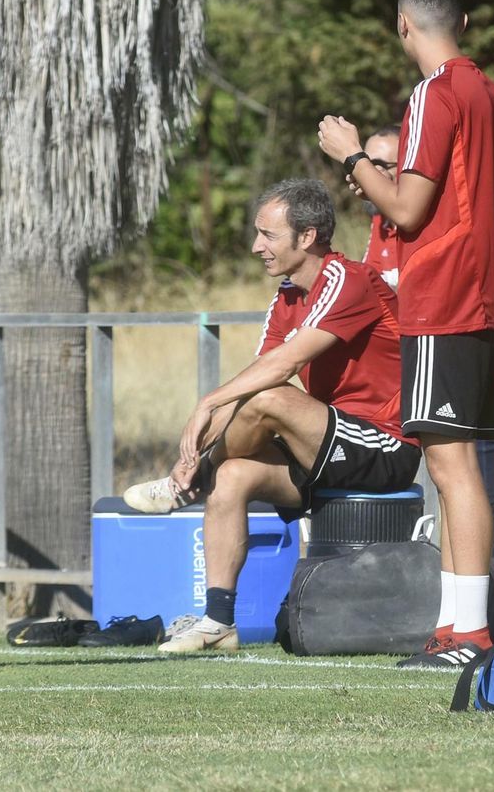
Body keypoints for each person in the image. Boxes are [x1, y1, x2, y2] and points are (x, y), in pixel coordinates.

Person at [127, 179, 422, 653]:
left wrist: (206, 404)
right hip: (327, 447)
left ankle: (190, 482)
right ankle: (218, 622)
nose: (255, 246)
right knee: (235, 474)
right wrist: (209, 431)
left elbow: (281, 370)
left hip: (384, 446)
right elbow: (255, 380)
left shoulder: (350, 280)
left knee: (270, 398)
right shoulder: (288, 295)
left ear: (306, 237)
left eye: (267, 235)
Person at [318, 0, 494, 668]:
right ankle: (458, 625)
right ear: (460, 20)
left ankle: (469, 632)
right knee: (463, 469)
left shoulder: (436, 92)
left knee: (451, 467)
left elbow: (406, 208)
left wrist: (353, 157)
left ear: (405, 25)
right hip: (487, 295)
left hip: (445, 296)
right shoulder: (487, 89)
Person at [361, 125, 494, 565]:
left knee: (479, 503)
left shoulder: (427, 221)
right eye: (362, 162)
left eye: (383, 166)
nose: (367, 174)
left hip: (471, 381)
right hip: (424, 385)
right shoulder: (378, 225)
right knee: (451, 501)